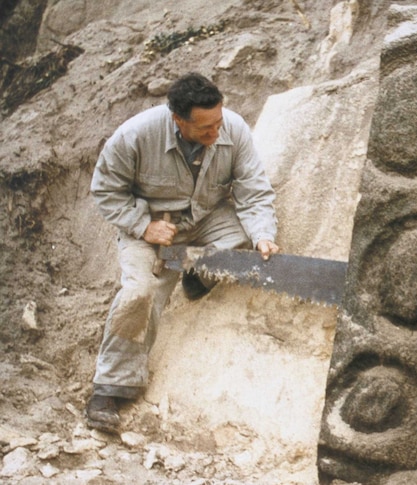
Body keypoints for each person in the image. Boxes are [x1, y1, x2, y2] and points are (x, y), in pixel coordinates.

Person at [85, 72, 279, 433]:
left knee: (237, 247)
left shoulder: (231, 128)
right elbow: (106, 191)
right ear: (178, 120)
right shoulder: (135, 136)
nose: (215, 134)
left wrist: (263, 235)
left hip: (204, 219)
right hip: (150, 228)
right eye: (205, 129)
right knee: (140, 293)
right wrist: (144, 226)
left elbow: (254, 189)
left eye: (218, 123)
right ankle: (109, 389)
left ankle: (193, 274)